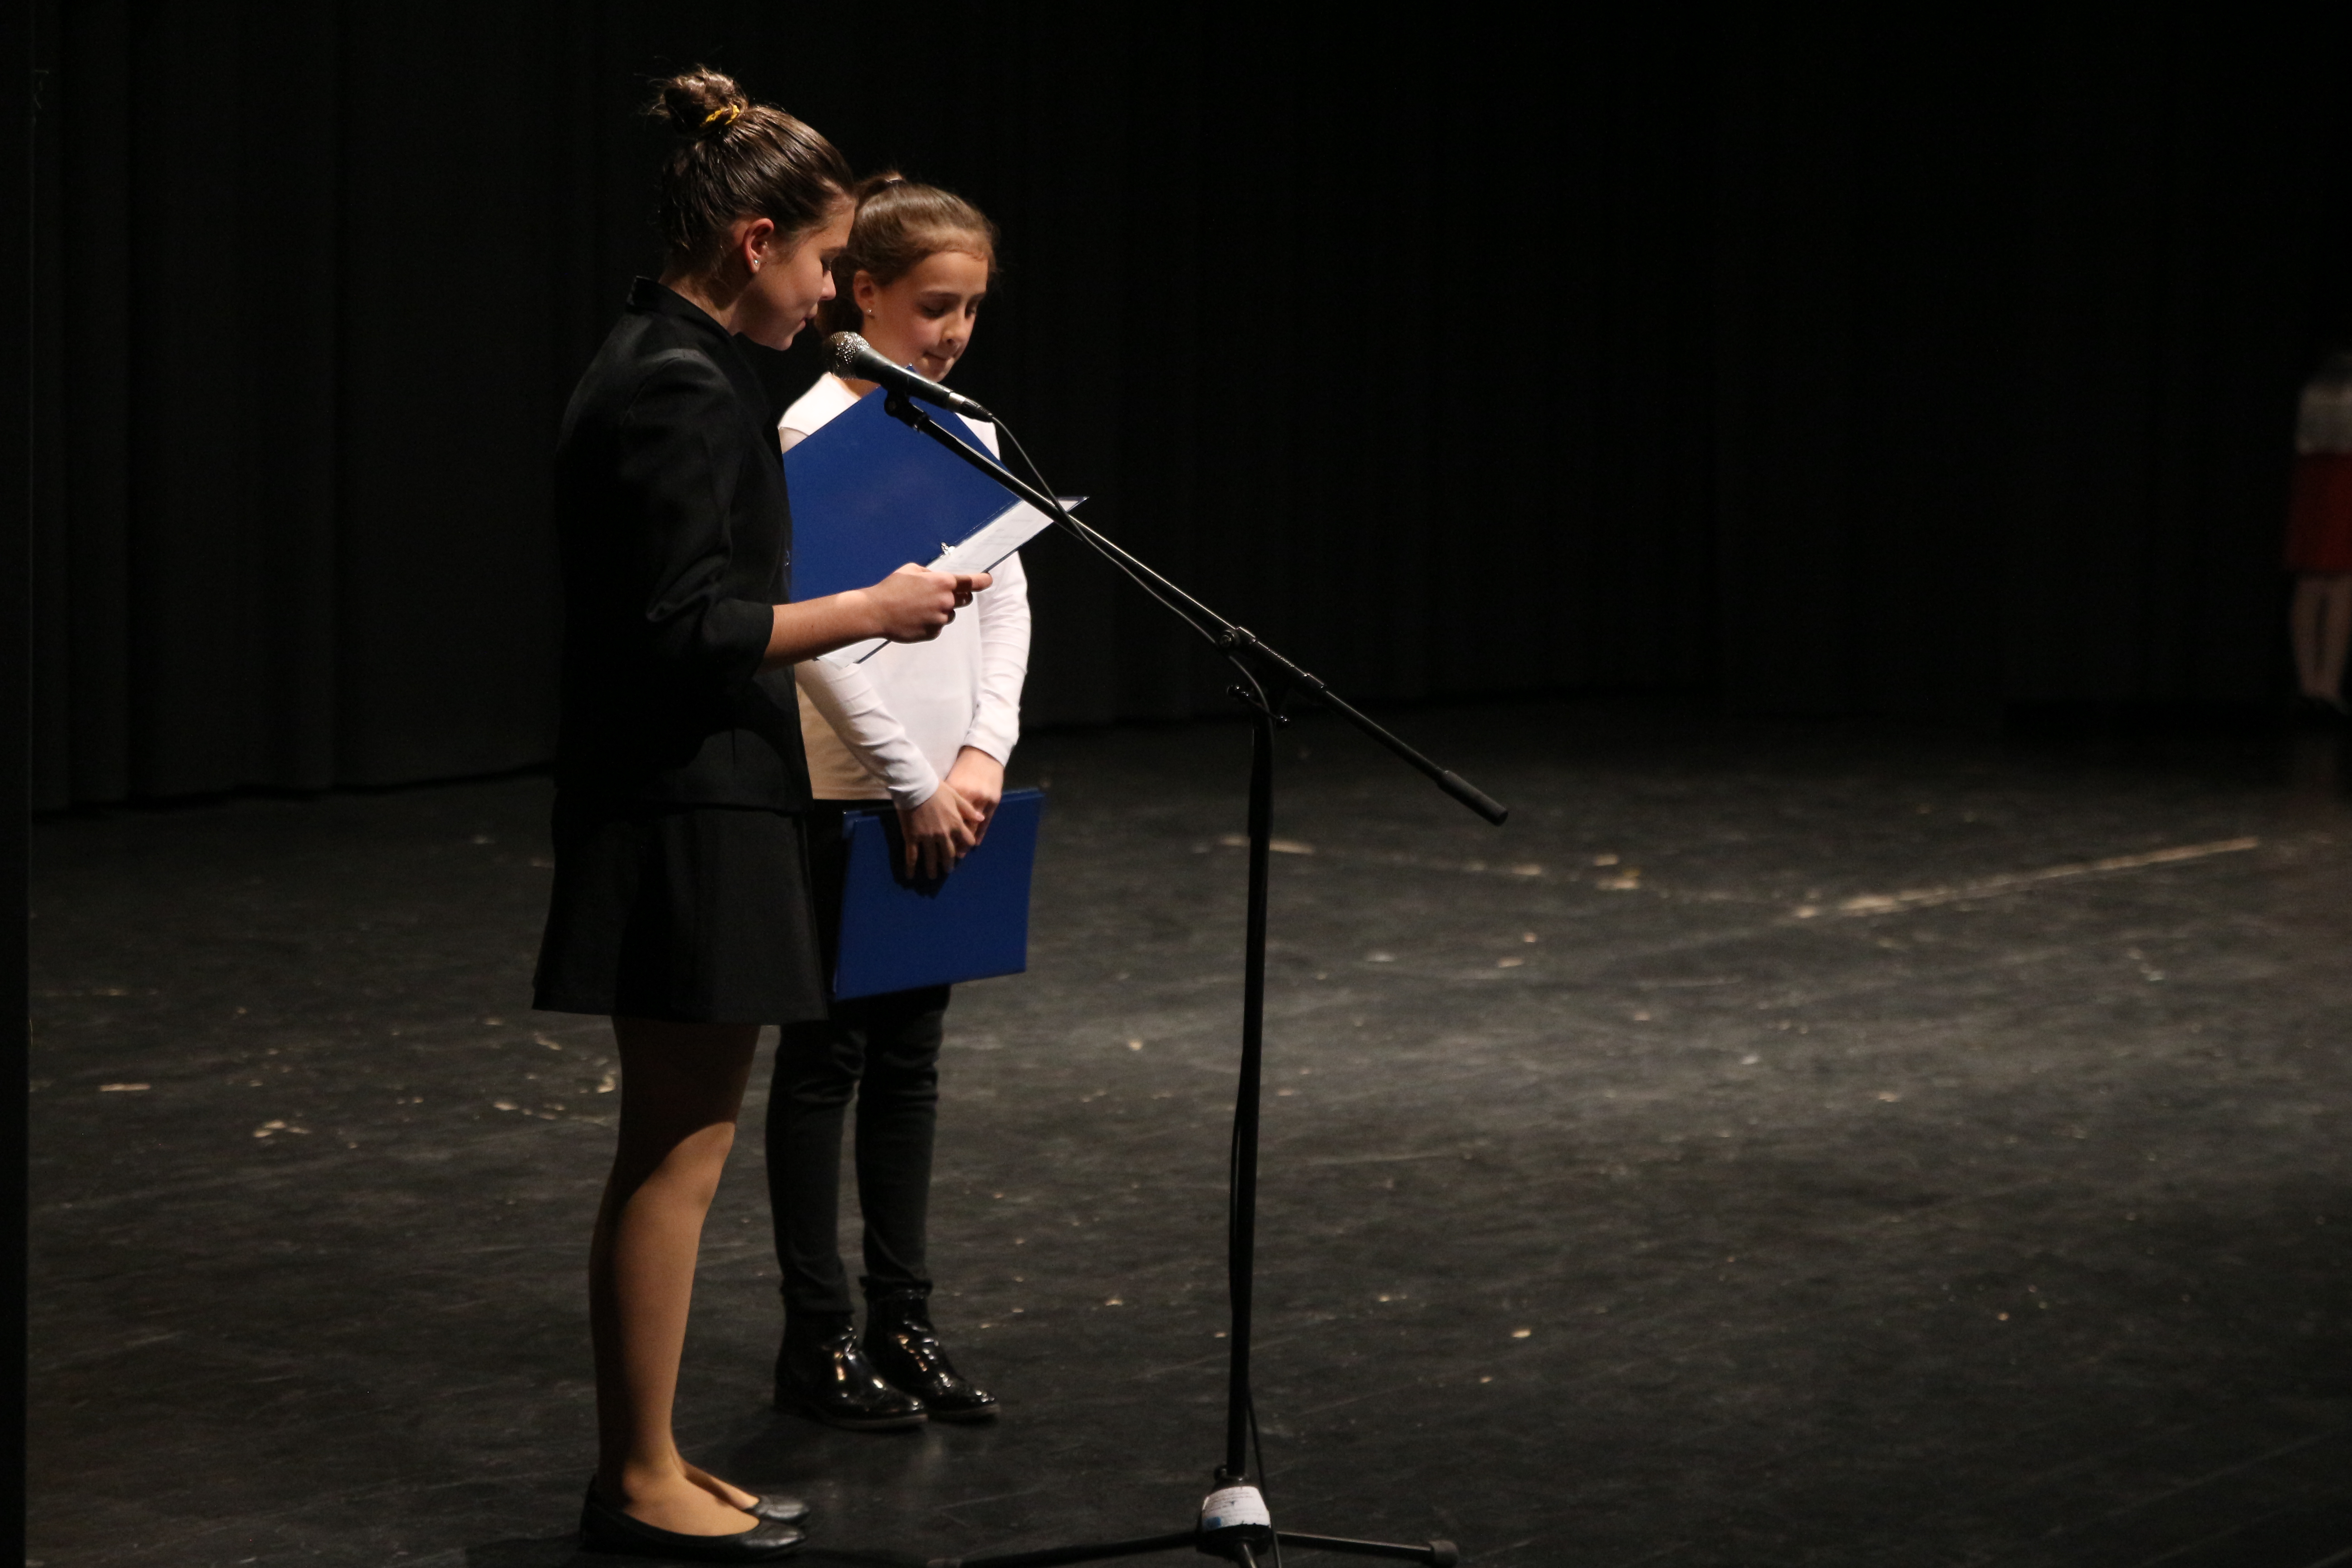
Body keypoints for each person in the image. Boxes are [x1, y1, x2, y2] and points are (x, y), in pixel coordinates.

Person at [532, 72, 989, 1563]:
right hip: (683, 801)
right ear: (752, 242)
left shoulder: (677, 363)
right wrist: (871, 608)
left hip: (704, 792)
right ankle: (635, 1476)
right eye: (822, 263)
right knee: (676, 1148)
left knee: (686, 1140)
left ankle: (651, 1455)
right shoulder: (672, 382)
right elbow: (681, 627)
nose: (828, 295)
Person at [765, 175, 1024, 1430]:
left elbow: (1008, 593)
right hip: (848, 788)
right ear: (861, 293)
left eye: (970, 309)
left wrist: (981, 752)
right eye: (934, 307)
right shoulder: (808, 432)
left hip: (950, 786)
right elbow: (811, 630)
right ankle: (816, 1337)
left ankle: (904, 1319)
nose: (953, 333)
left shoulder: (963, 425)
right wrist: (909, 780)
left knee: (911, 1060)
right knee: (828, 1059)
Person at [2287, 347, 2352, 718]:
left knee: (2311, 582)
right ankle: (2325, 687)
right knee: (2339, 583)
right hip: (2341, 477)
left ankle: (2311, 685)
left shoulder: (2312, 377)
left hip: (2311, 477)